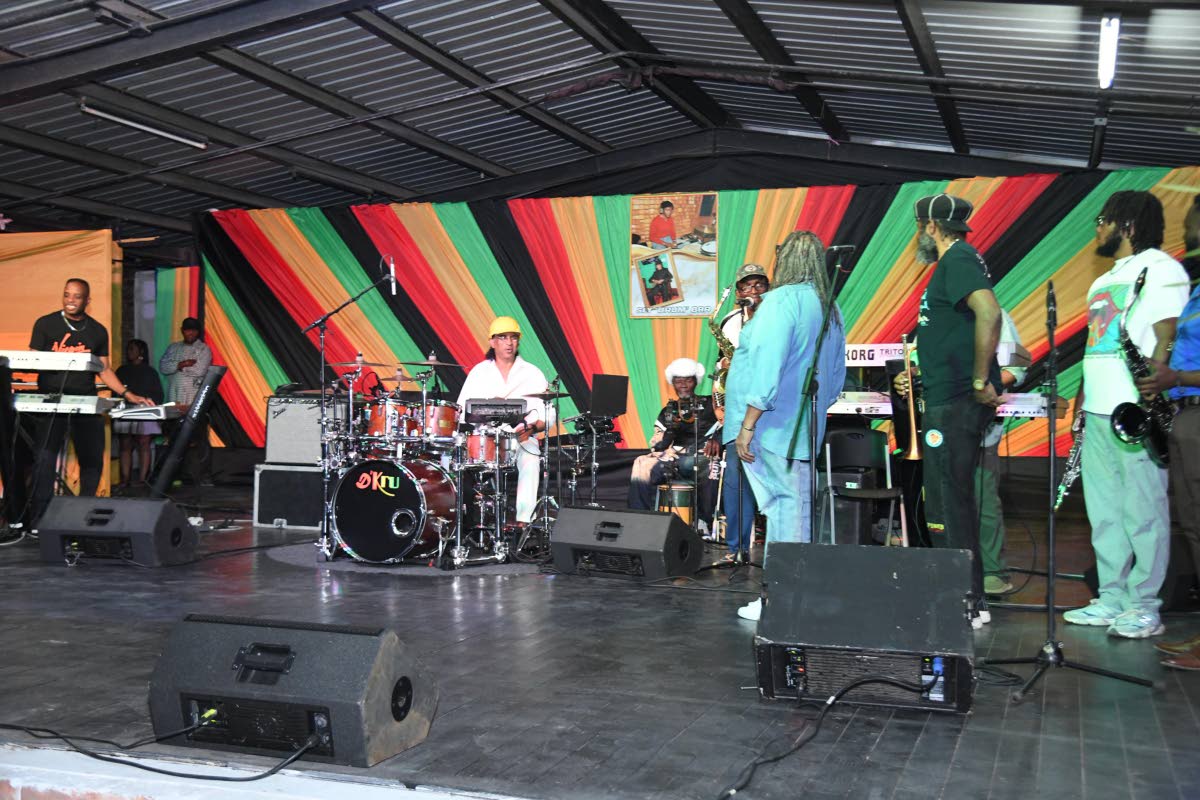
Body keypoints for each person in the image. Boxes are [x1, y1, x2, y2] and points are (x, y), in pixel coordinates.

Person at [1063, 190, 1188, 639]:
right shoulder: (1103, 280)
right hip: (1098, 410)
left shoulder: (1162, 268)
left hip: (1134, 411)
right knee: (1105, 512)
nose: (1098, 228)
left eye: (1104, 220)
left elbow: (1167, 331)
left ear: (1128, 225)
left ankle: (1144, 606)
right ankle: (1111, 597)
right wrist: (1080, 402)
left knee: (1143, 510)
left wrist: (1155, 393)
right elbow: (1095, 344)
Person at [724, 231, 846, 621]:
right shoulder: (829, 305)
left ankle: (781, 600)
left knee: (783, 510)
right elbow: (836, 377)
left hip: (772, 429)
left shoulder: (780, 302)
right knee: (796, 510)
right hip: (803, 425)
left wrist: (747, 425)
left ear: (785, 260)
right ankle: (795, 595)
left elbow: (767, 367)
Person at [907, 194, 1003, 629]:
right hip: (948, 399)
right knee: (950, 500)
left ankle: (963, 601)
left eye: (919, 227)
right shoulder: (957, 261)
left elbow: (989, 312)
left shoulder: (959, 258)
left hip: (954, 402)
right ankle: (968, 598)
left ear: (931, 227)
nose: (918, 236)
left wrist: (980, 380)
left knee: (947, 503)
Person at [896, 309, 1027, 595]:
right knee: (943, 501)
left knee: (981, 499)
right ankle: (951, 570)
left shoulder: (992, 314)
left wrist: (974, 388)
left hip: (976, 425)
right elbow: (919, 366)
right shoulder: (933, 317)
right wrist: (907, 377)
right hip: (941, 425)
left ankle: (993, 572)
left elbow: (1015, 370)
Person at [28, 279, 153, 524]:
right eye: (67, 295)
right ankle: (40, 518)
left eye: (77, 296)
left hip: (85, 401)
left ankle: (83, 513)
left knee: (92, 459)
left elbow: (104, 370)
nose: (70, 300)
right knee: (44, 458)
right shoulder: (45, 324)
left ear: (87, 300)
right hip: (52, 401)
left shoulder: (97, 331)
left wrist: (128, 394)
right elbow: (32, 360)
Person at [1139, 194, 1200, 667]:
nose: (1187, 227)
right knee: (1193, 526)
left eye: (1193, 218)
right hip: (1185, 414)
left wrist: (1175, 376)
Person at [456, 317, 555, 525]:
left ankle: (524, 520)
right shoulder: (479, 372)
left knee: (531, 458)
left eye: (513, 337)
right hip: (485, 440)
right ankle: (466, 519)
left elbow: (548, 415)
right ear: (492, 342)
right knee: (458, 459)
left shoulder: (532, 372)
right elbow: (461, 411)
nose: (509, 343)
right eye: (502, 337)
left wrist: (531, 428)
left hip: (520, 437)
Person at [716, 263, 770, 562]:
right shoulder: (729, 321)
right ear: (738, 292)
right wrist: (718, 402)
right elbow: (719, 368)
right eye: (747, 286)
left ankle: (780, 550)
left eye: (759, 284)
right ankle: (737, 549)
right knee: (735, 486)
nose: (753, 290)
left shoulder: (776, 317)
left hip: (770, 413)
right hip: (737, 412)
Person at [628, 358, 720, 528]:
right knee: (641, 462)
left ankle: (705, 523)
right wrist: (670, 431)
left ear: (696, 382)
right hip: (676, 460)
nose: (683, 385)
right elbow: (658, 446)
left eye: (688, 380)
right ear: (673, 383)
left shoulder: (710, 404)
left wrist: (717, 439)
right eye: (678, 381)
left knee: (712, 465)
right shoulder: (668, 410)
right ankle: (638, 519)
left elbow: (728, 423)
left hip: (704, 458)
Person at [159, 317, 214, 486]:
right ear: (182, 330)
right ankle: (174, 475)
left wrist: (178, 367)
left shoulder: (203, 349)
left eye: (193, 330)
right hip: (175, 400)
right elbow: (163, 367)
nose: (190, 333)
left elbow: (200, 370)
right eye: (187, 329)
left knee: (199, 440)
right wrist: (183, 363)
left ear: (197, 332)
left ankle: (203, 477)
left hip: (194, 401)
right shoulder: (173, 347)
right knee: (174, 438)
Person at [113, 339, 164, 489]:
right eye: (128, 348)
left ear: (141, 352)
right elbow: (115, 391)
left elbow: (158, 394)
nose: (129, 351)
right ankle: (125, 479)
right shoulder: (122, 370)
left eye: (132, 349)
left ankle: (143, 480)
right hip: (125, 410)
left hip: (145, 411)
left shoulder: (150, 372)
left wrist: (149, 405)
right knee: (125, 444)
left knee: (144, 443)